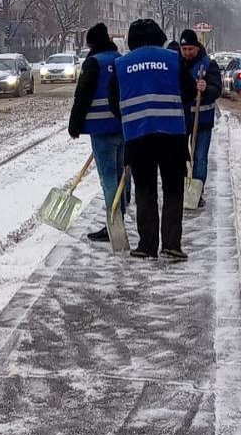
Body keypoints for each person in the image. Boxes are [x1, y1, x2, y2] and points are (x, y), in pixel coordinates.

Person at [108, 19, 197, 261]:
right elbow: (189, 92)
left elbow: (114, 102)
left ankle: (147, 246)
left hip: (138, 137)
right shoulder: (173, 58)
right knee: (172, 190)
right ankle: (171, 245)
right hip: (172, 136)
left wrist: (131, 117)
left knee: (145, 191)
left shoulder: (121, 64)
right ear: (159, 36)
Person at [68, 23, 127, 242]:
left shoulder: (93, 63)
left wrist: (74, 126)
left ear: (91, 43)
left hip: (101, 129)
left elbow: (82, 96)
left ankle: (113, 226)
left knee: (108, 178)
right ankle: (119, 216)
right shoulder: (120, 60)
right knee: (121, 175)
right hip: (122, 127)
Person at [178, 29, 222, 207]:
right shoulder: (176, 63)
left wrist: (206, 88)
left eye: (190, 49)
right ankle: (181, 189)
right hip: (181, 120)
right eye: (184, 49)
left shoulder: (208, 64)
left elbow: (217, 89)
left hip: (202, 119)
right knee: (180, 156)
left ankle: (197, 192)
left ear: (197, 48)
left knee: (200, 156)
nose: (187, 53)